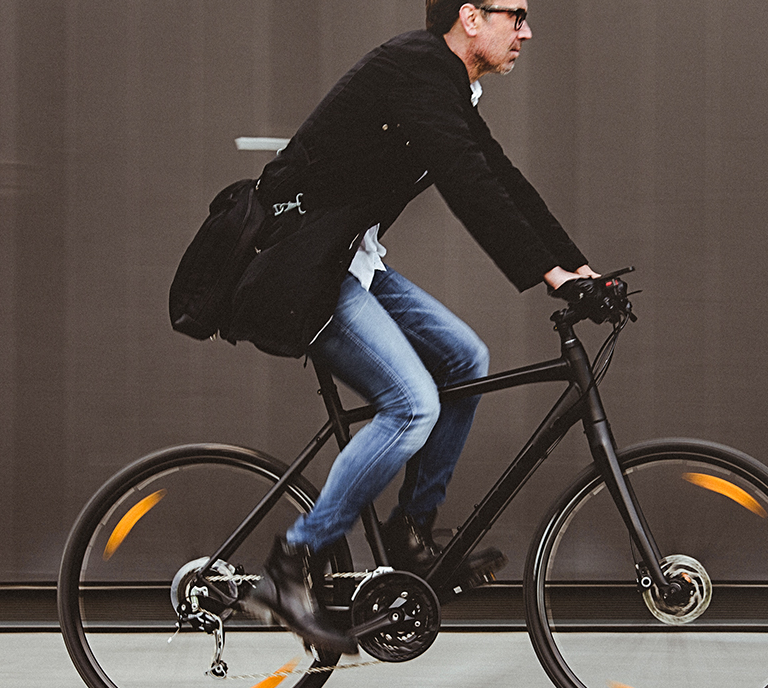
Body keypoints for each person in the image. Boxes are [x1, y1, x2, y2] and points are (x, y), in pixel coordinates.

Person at [236, 0, 598, 654]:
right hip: (305, 266)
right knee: (411, 406)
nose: (526, 30)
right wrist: (550, 275)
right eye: (514, 15)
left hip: (351, 260)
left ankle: (411, 531)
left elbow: (502, 180)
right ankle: (289, 563)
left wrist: (579, 269)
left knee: (465, 357)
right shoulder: (416, 67)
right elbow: (468, 185)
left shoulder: (446, 84)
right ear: (469, 15)